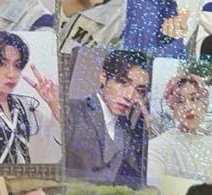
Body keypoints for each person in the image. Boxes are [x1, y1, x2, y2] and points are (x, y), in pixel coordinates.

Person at [0, 31, 61, 165]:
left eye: (17, 65)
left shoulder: (27, 106)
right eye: (1, 64)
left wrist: (55, 106)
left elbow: (52, 151)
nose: (11, 74)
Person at [64, 49, 150, 187]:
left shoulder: (126, 127)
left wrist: (151, 133)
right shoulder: (73, 111)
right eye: (123, 83)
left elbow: (137, 176)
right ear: (103, 76)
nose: (129, 96)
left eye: (139, 90)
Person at [146, 72, 212, 189]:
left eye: (194, 99)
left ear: (205, 104)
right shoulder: (158, 147)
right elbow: (153, 188)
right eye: (180, 101)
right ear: (172, 107)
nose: (188, 107)